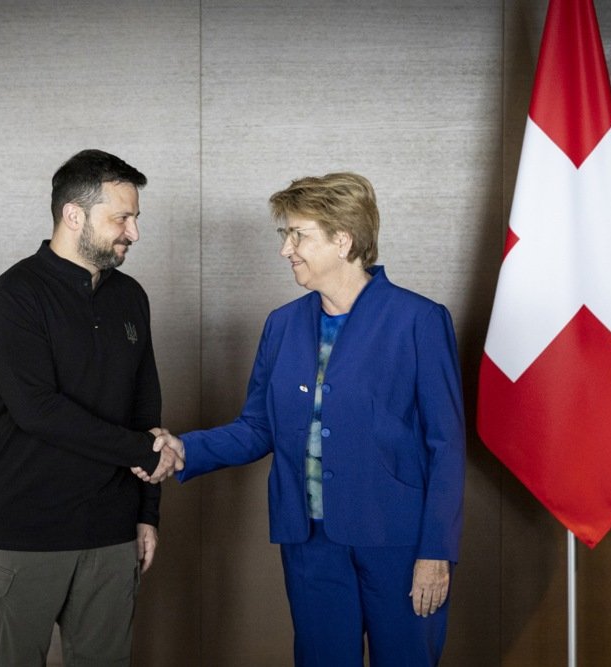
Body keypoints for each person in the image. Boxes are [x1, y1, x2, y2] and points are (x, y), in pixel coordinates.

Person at [141, 172, 465, 666]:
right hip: (309, 542)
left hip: (398, 545)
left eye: (298, 235)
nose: (286, 249)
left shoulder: (419, 321)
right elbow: (258, 427)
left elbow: (446, 445)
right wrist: (187, 449)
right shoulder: (283, 324)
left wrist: (436, 552)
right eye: (284, 235)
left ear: (343, 240)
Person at [0, 149, 181, 667]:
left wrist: (146, 514)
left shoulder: (131, 296)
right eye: (122, 218)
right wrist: (143, 450)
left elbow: (145, 407)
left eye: (134, 218)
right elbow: (37, 410)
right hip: (26, 535)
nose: (133, 232)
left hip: (112, 537)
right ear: (73, 214)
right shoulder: (14, 295)